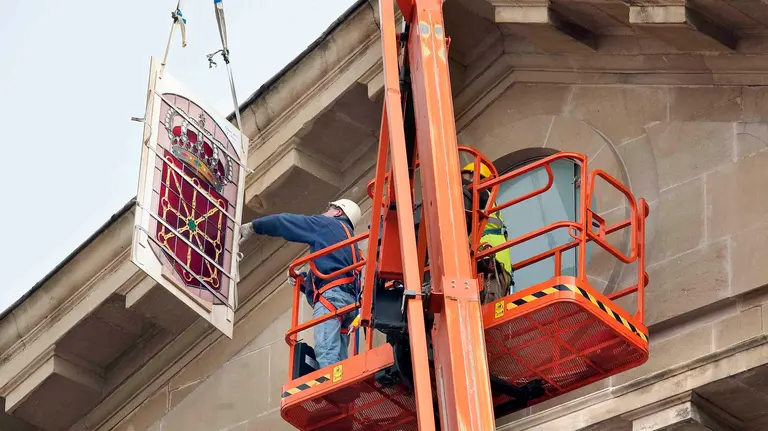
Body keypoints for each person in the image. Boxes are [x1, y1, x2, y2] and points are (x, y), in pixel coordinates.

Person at [239, 199, 362, 369]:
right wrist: (304, 282)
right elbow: (336, 269)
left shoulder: (326, 225)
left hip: (331, 300)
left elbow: (287, 222)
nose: (324, 212)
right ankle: (339, 388)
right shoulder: (353, 244)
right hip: (350, 305)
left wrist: (254, 226)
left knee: (327, 353)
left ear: (338, 212)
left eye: (328, 208)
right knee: (338, 361)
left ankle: (329, 386)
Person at [461, 162, 514, 302]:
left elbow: (468, 190)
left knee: (489, 305)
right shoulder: (479, 204)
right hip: (485, 259)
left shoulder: (485, 196)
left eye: (464, 176)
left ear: (475, 177)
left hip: (493, 261)